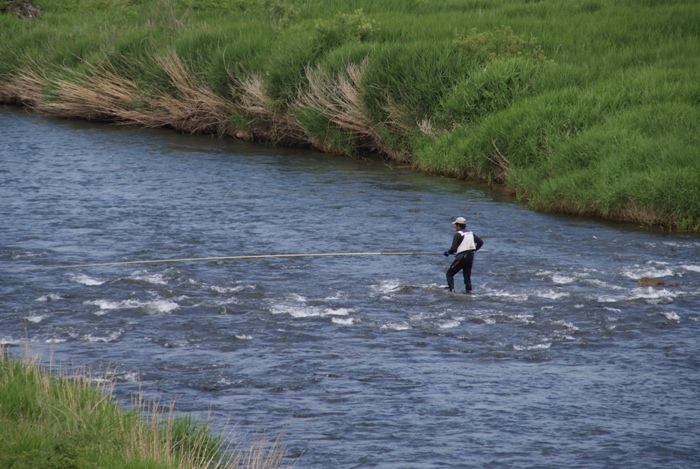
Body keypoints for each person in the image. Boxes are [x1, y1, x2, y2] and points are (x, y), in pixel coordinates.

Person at [444, 217, 483, 293]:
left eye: (455, 225)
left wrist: (448, 252)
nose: (455, 227)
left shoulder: (457, 235)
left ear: (458, 225)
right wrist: (474, 250)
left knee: (449, 274)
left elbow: (453, 249)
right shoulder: (470, 233)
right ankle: (469, 293)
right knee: (467, 277)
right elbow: (480, 242)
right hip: (470, 257)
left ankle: (452, 291)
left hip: (461, 258)